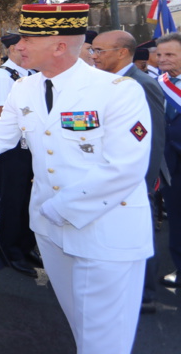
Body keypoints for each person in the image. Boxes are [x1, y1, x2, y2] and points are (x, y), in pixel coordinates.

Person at [0, 4, 152, 354]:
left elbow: (125, 167)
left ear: (58, 47)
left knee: (104, 338)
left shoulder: (117, 90)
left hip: (104, 230)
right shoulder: (24, 89)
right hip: (51, 230)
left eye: (27, 38)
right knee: (79, 323)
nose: (19, 45)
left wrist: (62, 207)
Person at [91, 29, 166, 313]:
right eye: (93, 51)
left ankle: (144, 294)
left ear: (122, 52)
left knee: (138, 234)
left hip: (136, 179)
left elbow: (152, 136)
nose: (93, 56)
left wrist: (144, 183)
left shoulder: (141, 83)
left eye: (99, 51)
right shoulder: (109, 82)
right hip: (116, 175)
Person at [0, 33, 40, 278]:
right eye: (19, 48)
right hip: (13, 147)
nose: (24, 51)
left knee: (31, 198)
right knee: (13, 199)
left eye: (26, 47)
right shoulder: (3, 76)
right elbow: (2, 111)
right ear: (9, 50)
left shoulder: (33, 74)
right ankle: (10, 251)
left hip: (32, 146)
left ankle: (26, 246)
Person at [155, 32, 181, 289]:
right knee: (177, 219)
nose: (162, 59)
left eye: (170, 54)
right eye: (160, 54)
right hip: (170, 166)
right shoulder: (157, 82)